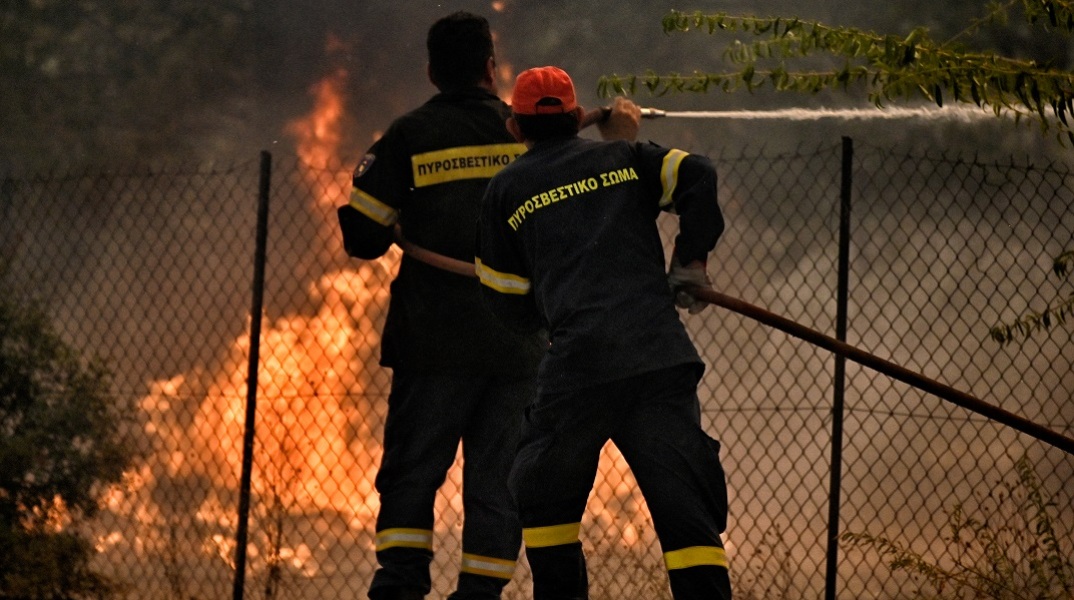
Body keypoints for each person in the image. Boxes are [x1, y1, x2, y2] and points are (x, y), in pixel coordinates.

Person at [475, 66, 733, 600]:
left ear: (514, 129)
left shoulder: (505, 190)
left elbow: (502, 295)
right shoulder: (625, 160)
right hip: (656, 360)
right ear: (574, 117)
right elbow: (699, 175)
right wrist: (690, 262)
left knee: (545, 503)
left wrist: (546, 325)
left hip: (576, 370)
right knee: (688, 518)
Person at [336, 12, 545, 600]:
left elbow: (363, 237)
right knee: (499, 481)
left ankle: (400, 585)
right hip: (517, 346)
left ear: (431, 72)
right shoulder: (525, 135)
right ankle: (479, 595)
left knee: (413, 471)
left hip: (433, 342)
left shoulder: (410, 136)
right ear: (489, 67)